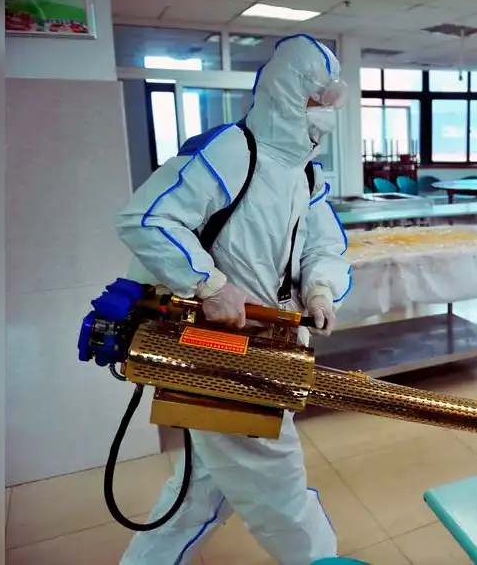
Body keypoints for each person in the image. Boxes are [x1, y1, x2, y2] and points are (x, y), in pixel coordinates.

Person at [115, 34, 352, 565]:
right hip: (219, 348)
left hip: (267, 344)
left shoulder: (303, 172)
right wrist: (211, 285)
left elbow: (322, 242)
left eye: (332, 100)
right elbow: (146, 218)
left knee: (199, 490)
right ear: (289, 93)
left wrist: (319, 286)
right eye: (317, 97)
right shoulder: (232, 151)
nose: (325, 111)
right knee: (280, 489)